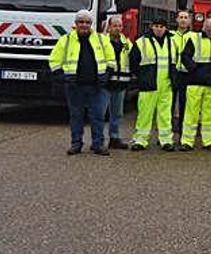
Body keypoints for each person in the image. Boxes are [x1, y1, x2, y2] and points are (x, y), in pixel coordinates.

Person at [48, 9, 115, 156]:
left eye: (87, 22)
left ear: (91, 24)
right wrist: (62, 76)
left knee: (98, 116)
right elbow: (54, 60)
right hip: (74, 86)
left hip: (97, 85)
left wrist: (107, 73)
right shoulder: (65, 40)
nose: (84, 25)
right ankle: (76, 144)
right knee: (76, 116)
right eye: (81, 22)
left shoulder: (102, 39)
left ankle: (98, 144)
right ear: (76, 24)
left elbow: (111, 59)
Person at [130, 17, 179, 151]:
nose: (158, 29)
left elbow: (176, 62)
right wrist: (142, 78)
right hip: (148, 85)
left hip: (166, 84)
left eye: (161, 26)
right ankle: (140, 140)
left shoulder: (173, 41)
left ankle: (166, 140)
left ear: (166, 28)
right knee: (145, 114)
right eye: (156, 26)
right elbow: (133, 62)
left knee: (165, 115)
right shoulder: (141, 42)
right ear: (151, 27)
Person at [179, 17, 211, 151]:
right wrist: (194, 70)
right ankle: (187, 141)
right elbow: (185, 56)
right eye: (209, 29)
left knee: (210, 115)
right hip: (195, 83)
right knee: (191, 114)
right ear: (204, 28)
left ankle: (208, 141)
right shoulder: (195, 38)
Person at [104, 15, 131, 150]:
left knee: (117, 113)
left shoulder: (126, 42)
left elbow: (132, 57)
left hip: (120, 83)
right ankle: (98, 140)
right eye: (115, 26)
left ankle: (114, 138)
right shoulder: (102, 42)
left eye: (120, 26)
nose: (118, 28)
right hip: (105, 82)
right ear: (109, 27)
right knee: (100, 113)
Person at [170, 10, 192, 144]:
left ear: (189, 21)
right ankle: (167, 135)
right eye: (181, 17)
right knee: (169, 105)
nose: (183, 20)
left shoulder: (194, 36)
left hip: (187, 74)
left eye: (186, 18)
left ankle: (183, 135)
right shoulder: (170, 36)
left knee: (185, 105)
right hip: (173, 72)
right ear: (176, 20)